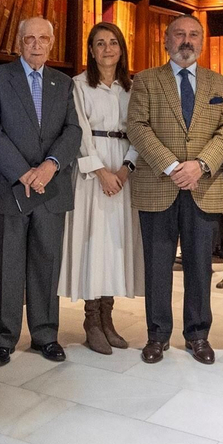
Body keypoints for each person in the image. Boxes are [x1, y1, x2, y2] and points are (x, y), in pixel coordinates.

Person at [126, 15, 223, 365]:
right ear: (166, 40)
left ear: (202, 42)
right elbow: (137, 127)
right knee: (158, 266)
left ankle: (198, 335)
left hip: (203, 186)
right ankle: (157, 335)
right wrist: (174, 167)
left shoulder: (220, 83)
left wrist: (201, 165)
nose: (186, 40)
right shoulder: (145, 81)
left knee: (200, 265)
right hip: (160, 184)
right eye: (179, 34)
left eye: (193, 35)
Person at [0, 16, 81, 365]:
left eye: (43, 38)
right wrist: (24, 172)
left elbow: (73, 132)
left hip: (50, 188)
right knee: (7, 265)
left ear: (52, 43)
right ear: (18, 42)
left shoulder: (63, 83)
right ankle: (3, 338)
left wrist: (50, 166)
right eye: (29, 38)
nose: (36, 44)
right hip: (10, 186)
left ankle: (45, 335)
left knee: (46, 263)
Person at [58, 22, 144, 354]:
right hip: (90, 173)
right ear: (91, 51)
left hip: (123, 168)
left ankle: (108, 318)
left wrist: (125, 169)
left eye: (113, 43)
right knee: (92, 245)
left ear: (122, 49)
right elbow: (77, 130)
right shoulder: (78, 86)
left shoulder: (132, 88)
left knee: (115, 245)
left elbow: (140, 130)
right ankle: (91, 320)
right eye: (99, 43)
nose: (107, 49)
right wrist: (102, 172)